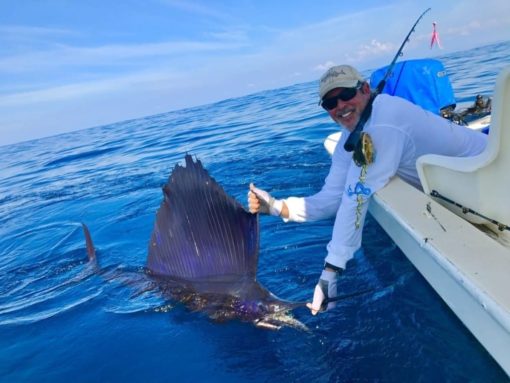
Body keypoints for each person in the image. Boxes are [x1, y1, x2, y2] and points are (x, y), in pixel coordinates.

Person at [247, 64, 488, 315]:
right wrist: (276, 206)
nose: (340, 105)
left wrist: (331, 270)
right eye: (330, 102)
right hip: (465, 182)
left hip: (488, 173)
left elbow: (356, 196)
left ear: (364, 89)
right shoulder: (349, 138)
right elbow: (331, 198)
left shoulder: (384, 123)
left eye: (346, 95)